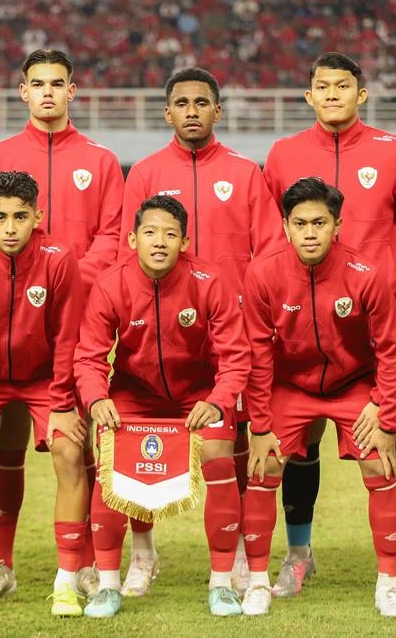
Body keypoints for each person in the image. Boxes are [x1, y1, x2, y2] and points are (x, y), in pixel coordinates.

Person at [115, 66, 285, 597]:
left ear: (218, 110)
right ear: (168, 112)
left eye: (202, 102)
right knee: (141, 442)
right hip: (162, 334)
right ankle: (142, 553)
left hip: (227, 334)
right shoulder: (143, 173)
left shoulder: (245, 172)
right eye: (182, 103)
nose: (192, 111)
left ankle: (232, 551)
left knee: (229, 442)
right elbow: (130, 254)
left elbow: (268, 253)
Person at [262, 52, 396, 598]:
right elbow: (270, 239)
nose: (333, 94)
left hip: (375, 333)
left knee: (393, 438)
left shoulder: (395, 152)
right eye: (322, 87)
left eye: (344, 86)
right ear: (308, 97)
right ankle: (298, 553)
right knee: (298, 446)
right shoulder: (284, 154)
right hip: (302, 335)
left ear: (362, 94)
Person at [0, 48, 123, 598]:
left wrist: (66, 280)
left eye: (56, 83)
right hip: (8, 323)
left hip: (77, 320)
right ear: (22, 91)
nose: (47, 92)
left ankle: (82, 563)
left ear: (72, 91)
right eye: (37, 83)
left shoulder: (101, 160)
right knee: (10, 442)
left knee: (76, 441)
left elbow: (112, 234)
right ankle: (2, 563)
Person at [74, 196, 251, 618]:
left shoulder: (209, 280)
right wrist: (98, 399)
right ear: (133, 238)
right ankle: (108, 584)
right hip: (135, 393)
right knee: (111, 464)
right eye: (150, 233)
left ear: (185, 241)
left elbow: (237, 355)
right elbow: (89, 356)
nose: (159, 242)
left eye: (170, 234)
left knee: (217, 456)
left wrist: (219, 400)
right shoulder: (110, 283)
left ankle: (222, 582)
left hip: (199, 393)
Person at [242, 177, 396, 618]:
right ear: (285, 226)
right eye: (300, 223)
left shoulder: (364, 274)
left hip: (353, 384)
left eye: (320, 222)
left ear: (337, 225)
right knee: (264, 465)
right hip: (290, 385)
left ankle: (388, 583)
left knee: (379, 461)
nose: (310, 232)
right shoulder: (262, 272)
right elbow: (257, 356)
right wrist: (259, 426)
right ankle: (258, 580)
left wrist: (386, 413)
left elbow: (391, 349)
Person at [0, 171, 89, 617]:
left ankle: (67, 581)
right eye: (1, 217)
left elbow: (69, 338)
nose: (10, 227)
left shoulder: (59, 258)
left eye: (21, 217)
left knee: (68, 452)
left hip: (46, 378)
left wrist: (63, 403)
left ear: (37, 217)